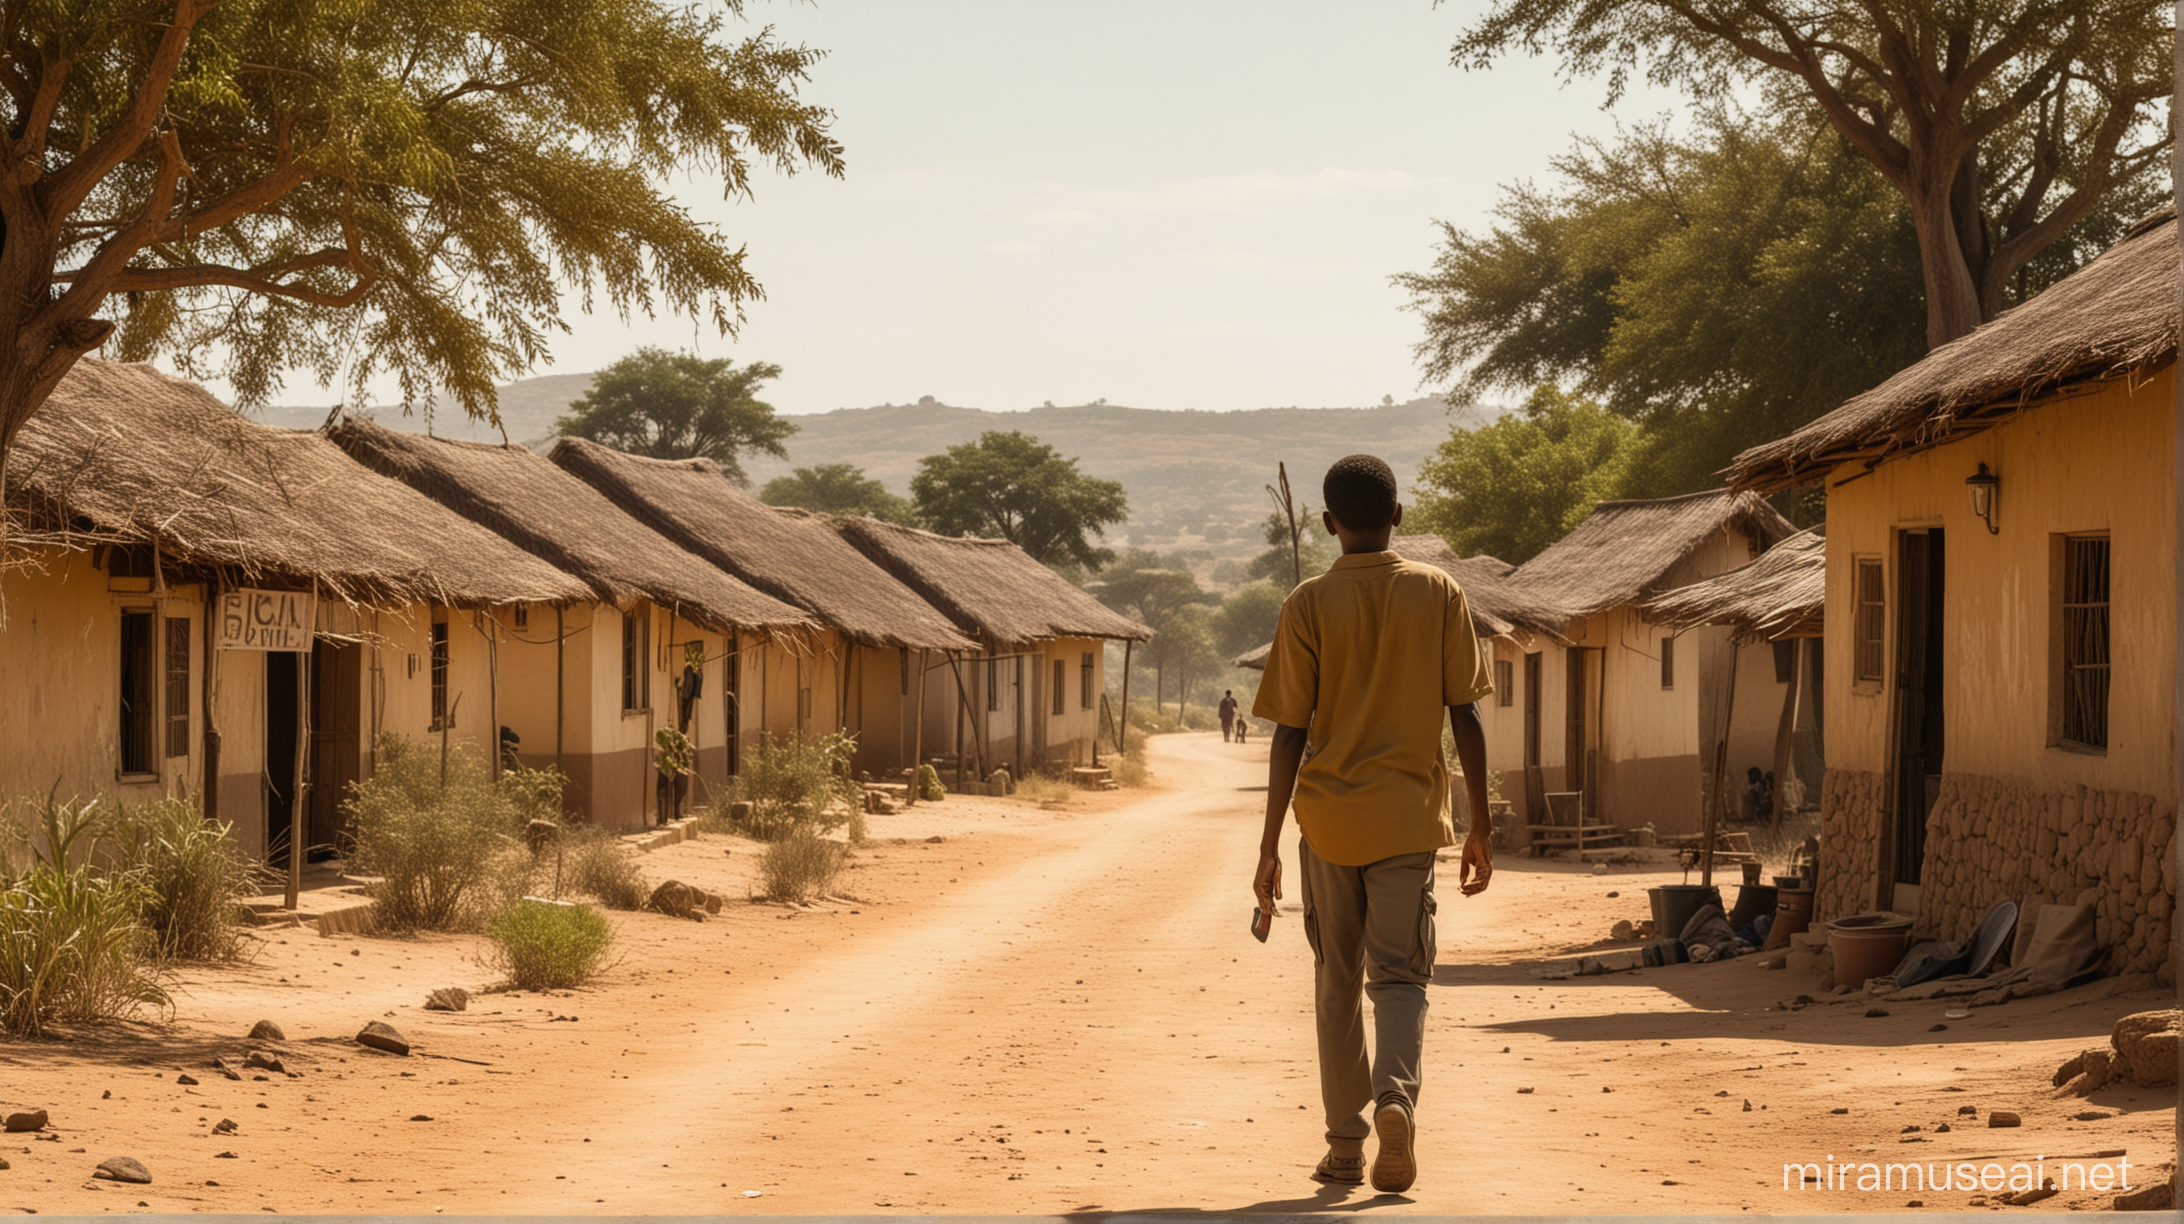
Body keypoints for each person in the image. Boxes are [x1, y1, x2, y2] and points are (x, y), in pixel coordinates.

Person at [1251, 453, 1494, 1195]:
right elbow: (1467, 714)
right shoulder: (1439, 592)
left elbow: (1289, 732)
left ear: (1328, 524)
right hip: (1408, 823)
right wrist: (1481, 824)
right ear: (1398, 516)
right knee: (1401, 978)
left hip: (1328, 824)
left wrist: (1267, 849)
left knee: (1335, 982)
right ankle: (1396, 1097)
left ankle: (1345, 1145)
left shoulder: (1307, 604)